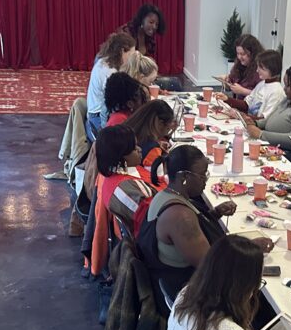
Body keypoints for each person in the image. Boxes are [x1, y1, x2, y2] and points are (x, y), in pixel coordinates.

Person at [140, 146, 256, 298]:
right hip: (189, 292)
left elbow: (192, 231)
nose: (205, 180)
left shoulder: (165, 196)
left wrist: (215, 214)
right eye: (202, 175)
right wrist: (251, 250)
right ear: (184, 177)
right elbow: (211, 267)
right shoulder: (180, 217)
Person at [91, 125, 155, 275]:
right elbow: (153, 222)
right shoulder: (127, 190)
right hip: (148, 248)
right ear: (121, 156)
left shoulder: (110, 179)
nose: (139, 149)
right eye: (133, 148)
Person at [86, 32, 136, 139]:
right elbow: (111, 104)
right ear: (123, 51)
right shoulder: (109, 72)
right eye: (131, 55)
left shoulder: (102, 61)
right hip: (98, 119)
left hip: (94, 114)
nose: (130, 59)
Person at [122, 100, 174, 183]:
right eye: (168, 128)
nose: (167, 132)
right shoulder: (152, 150)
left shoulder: (128, 131)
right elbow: (159, 182)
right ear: (160, 124)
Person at [216, 34, 265, 110]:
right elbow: (231, 86)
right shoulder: (239, 65)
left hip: (250, 110)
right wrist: (226, 81)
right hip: (237, 106)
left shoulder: (260, 70)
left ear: (252, 53)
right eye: (238, 53)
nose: (239, 57)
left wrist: (243, 91)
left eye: (243, 54)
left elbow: (263, 96)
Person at [243, 50, 286, 119]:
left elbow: (264, 119)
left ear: (271, 68)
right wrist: (226, 99)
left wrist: (241, 117)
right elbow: (247, 104)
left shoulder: (277, 92)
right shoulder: (262, 84)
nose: (257, 70)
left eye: (261, 68)